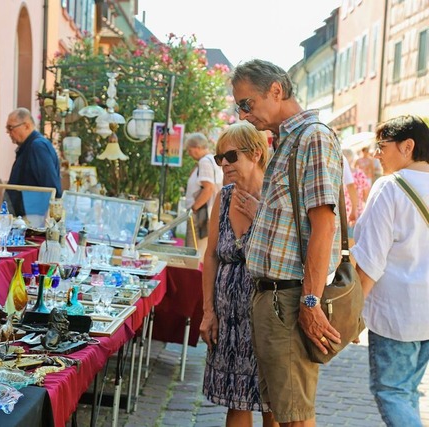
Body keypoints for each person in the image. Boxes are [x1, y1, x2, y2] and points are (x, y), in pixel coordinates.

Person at [232, 59, 343, 426]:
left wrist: (311, 302)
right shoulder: (289, 140)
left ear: (276, 91)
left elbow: (324, 225)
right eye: (239, 107)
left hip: (292, 297)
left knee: (294, 416)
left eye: (247, 104)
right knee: (281, 411)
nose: (244, 115)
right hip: (275, 295)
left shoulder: (313, 136)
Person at [351, 115, 429, 427]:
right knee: (407, 391)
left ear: (407, 146)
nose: (378, 154)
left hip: (396, 313)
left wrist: (354, 312)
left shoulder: (390, 187)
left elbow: (370, 258)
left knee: (391, 392)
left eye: (382, 146)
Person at [200, 122, 276, 427]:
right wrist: (208, 311)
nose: (224, 164)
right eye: (220, 158)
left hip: (267, 316)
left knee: (273, 404)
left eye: (231, 156)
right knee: (235, 401)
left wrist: (260, 215)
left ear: (256, 153)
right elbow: (211, 255)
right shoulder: (224, 197)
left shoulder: (275, 196)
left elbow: (291, 252)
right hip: (229, 319)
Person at [6, 108, 62, 216]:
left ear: (26, 126)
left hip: (33, 218)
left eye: (10, 127)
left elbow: (51, 188)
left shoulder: (38, 146)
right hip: (26, 217)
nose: (8, 132)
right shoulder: (29, 146)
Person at [184, 133, 223, 260]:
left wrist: (194, 208)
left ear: (197, 147)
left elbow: (208, 188)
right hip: (207, 212)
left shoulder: (205, 162)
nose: (189, 154)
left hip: (201, 213)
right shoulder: (211, 160)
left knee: (194, 251)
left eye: (189, 150)